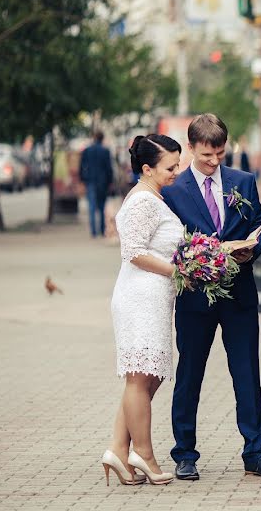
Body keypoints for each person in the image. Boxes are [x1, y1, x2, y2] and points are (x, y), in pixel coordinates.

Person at [161, 114, 261, 480]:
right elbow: (168, 243)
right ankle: (184, 453)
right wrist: (195, 259)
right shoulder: (172, 191)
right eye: (206, 156)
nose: (214, 162)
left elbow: (260, 225)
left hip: (239, 294)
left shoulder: (243, 182)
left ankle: (255, 452)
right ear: (191, 149)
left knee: (247, 373)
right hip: (195, 299)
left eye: (220, 154)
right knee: (190, 375)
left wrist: (252, 248)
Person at [102, 134, 183, 486]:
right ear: (147, 168)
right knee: (140, 377)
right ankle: (144, 455)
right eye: (171, 167)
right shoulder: (142, 203)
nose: (177, 172)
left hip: (153, 296)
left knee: (149, 376)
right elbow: (133, 251)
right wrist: (179, 271)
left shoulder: (153, 197)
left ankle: (119, 450)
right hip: (140, 297)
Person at [80, 131, 114, 238]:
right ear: (102, 138)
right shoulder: (105, 151)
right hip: (103, 182)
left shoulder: (87, 150)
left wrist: (83, 179)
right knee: (102, 206)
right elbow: (109, 168)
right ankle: (102, 229)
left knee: (91, 206)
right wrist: (110, 181)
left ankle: (93, 231)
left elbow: (81, 166)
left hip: (90, 181)